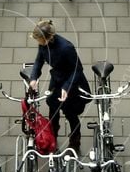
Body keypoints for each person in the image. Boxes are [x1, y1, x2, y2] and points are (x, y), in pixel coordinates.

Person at [28, 19, 91, 154]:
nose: (38, 43)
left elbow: (77, 69)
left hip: (71, 83)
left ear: (48, 38)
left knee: (71, 115)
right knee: (53, 112)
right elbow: (39, 61)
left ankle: (75, 142)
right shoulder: (43, 44)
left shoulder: (66, 47)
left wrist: (67, 87)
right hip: (57, 81)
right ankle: (52, 138)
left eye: (39, 40)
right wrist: (34, 78)